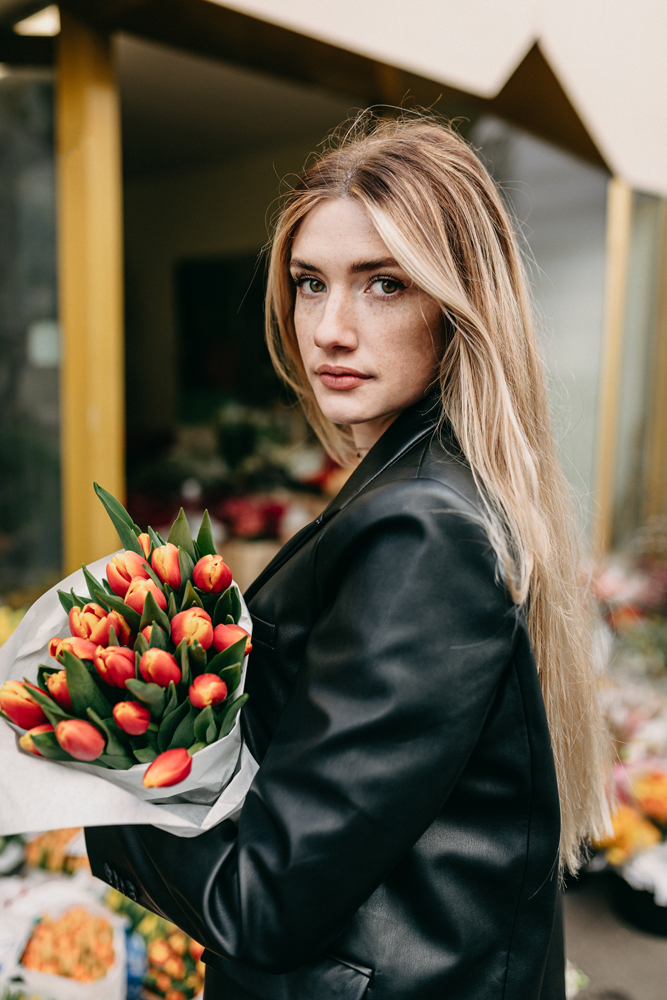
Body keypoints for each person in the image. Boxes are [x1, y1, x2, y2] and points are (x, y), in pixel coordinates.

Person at [85, 113, 609, 1000]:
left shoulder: (423, 528)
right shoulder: (424, 480)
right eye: (309, 283)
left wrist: (107, 763)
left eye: (383, 285)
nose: (328, 329)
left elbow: (265, 901)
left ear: (458, 304)